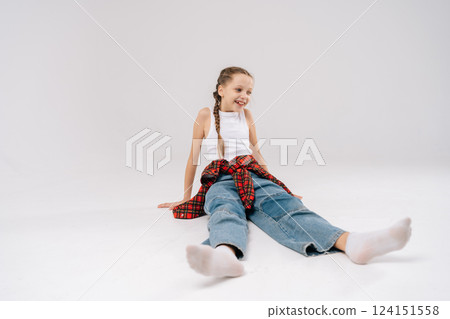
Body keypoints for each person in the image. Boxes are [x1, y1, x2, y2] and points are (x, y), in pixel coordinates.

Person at [158, 66, 412, 278]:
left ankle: (352, 242)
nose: (245, 95)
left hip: (251, 173)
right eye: (239, 89)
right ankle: (225, 254)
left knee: (287, 206)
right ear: (221, 90)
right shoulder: (204, 115)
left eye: (249, 91)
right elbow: (192, 158)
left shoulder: (246, 115)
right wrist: (185, 196)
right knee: (224, 209)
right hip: (219, 180)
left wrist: (277, 185)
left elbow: (257, 154)